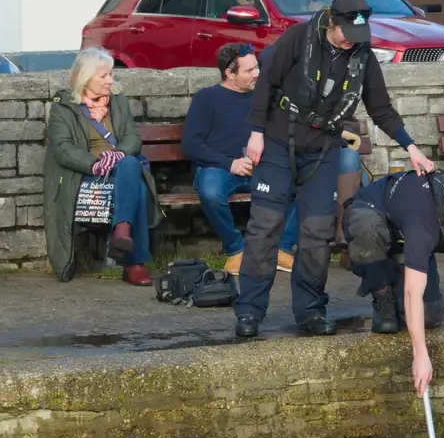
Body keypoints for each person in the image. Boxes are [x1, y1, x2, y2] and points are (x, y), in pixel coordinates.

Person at [234, 0, 434, 339]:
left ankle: (310, 310)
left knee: (317, 233)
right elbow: (266, 83)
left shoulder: (362, 55)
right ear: (332, 22)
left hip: (322, 148)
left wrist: (412, 147)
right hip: (280, 142)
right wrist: (255, 132)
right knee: (264, 228)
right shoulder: (298, 38)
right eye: (346, 34)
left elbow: (381, 108)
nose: (350, 42)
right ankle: (250, 311)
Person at [342, 171, 444, 393]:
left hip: (412, 235)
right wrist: (420, 354)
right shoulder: (423, 217)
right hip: (372, 213)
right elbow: (412, 292)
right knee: (367, 229)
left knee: (430, 316)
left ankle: (401, 262)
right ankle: (381, 291)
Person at [43, 48, 161, 285]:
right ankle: (133, 262)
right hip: (86, 175)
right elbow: (63, 149)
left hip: (121, 168)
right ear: (86, 78)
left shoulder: (118, 101)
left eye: (110, 75)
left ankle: (122, 230)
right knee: (136, 186)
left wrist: (116, 155)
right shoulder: (63, 106)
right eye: (104, 76)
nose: (110, 81)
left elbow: (132, 138)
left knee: (128, 164)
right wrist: (96, 165)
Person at [186, 43, 297, 274]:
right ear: (229, 73)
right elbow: (191, 145)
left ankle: (282, 249)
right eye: (249, 70)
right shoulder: (207, 98)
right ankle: (236, 250)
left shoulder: (265, 97)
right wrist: (230, 163)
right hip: (220, 168)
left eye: (257, 67)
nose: (257, 73)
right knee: (210, 192)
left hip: (261, 167)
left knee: (307, 182)